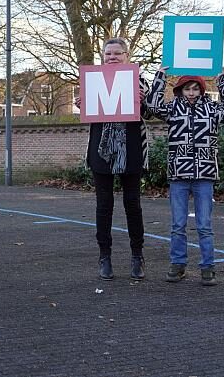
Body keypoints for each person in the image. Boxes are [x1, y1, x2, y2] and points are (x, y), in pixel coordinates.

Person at [146, 68, 224, 286]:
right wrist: (159, 76)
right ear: (180, 90)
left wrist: (222, 80)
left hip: (204, 174)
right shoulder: (172, 108)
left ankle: (208, 267)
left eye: (195, 88)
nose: (191, 92)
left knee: (204, 225)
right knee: (177, 224)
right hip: (179, 174)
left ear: (201, 90)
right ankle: (177, 265)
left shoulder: (212, 109)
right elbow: (152, 105)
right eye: (187, 89)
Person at [76, 38, 153, 281]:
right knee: (104, 205)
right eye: (108, 53)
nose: (112, 57)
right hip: (101, 149)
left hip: (131, 148)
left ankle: (137, 256)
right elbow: (90, 113)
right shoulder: (93, 79)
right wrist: (81, 103)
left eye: (117, 53)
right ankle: (104, 257)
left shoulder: (139, 80)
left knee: (133, 204)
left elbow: (151, 113)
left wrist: (144, 101)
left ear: (127, 56)